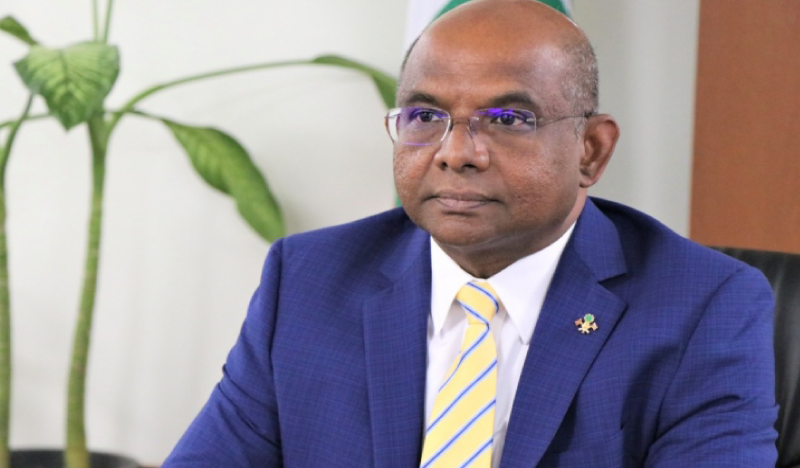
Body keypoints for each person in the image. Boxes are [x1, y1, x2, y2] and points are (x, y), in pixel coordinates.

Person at [161, 1, 778, 466]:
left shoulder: (704, 306)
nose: (456, 153)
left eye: (509, 118)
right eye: (425, 116)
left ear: (590, 149)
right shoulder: (308, 278)